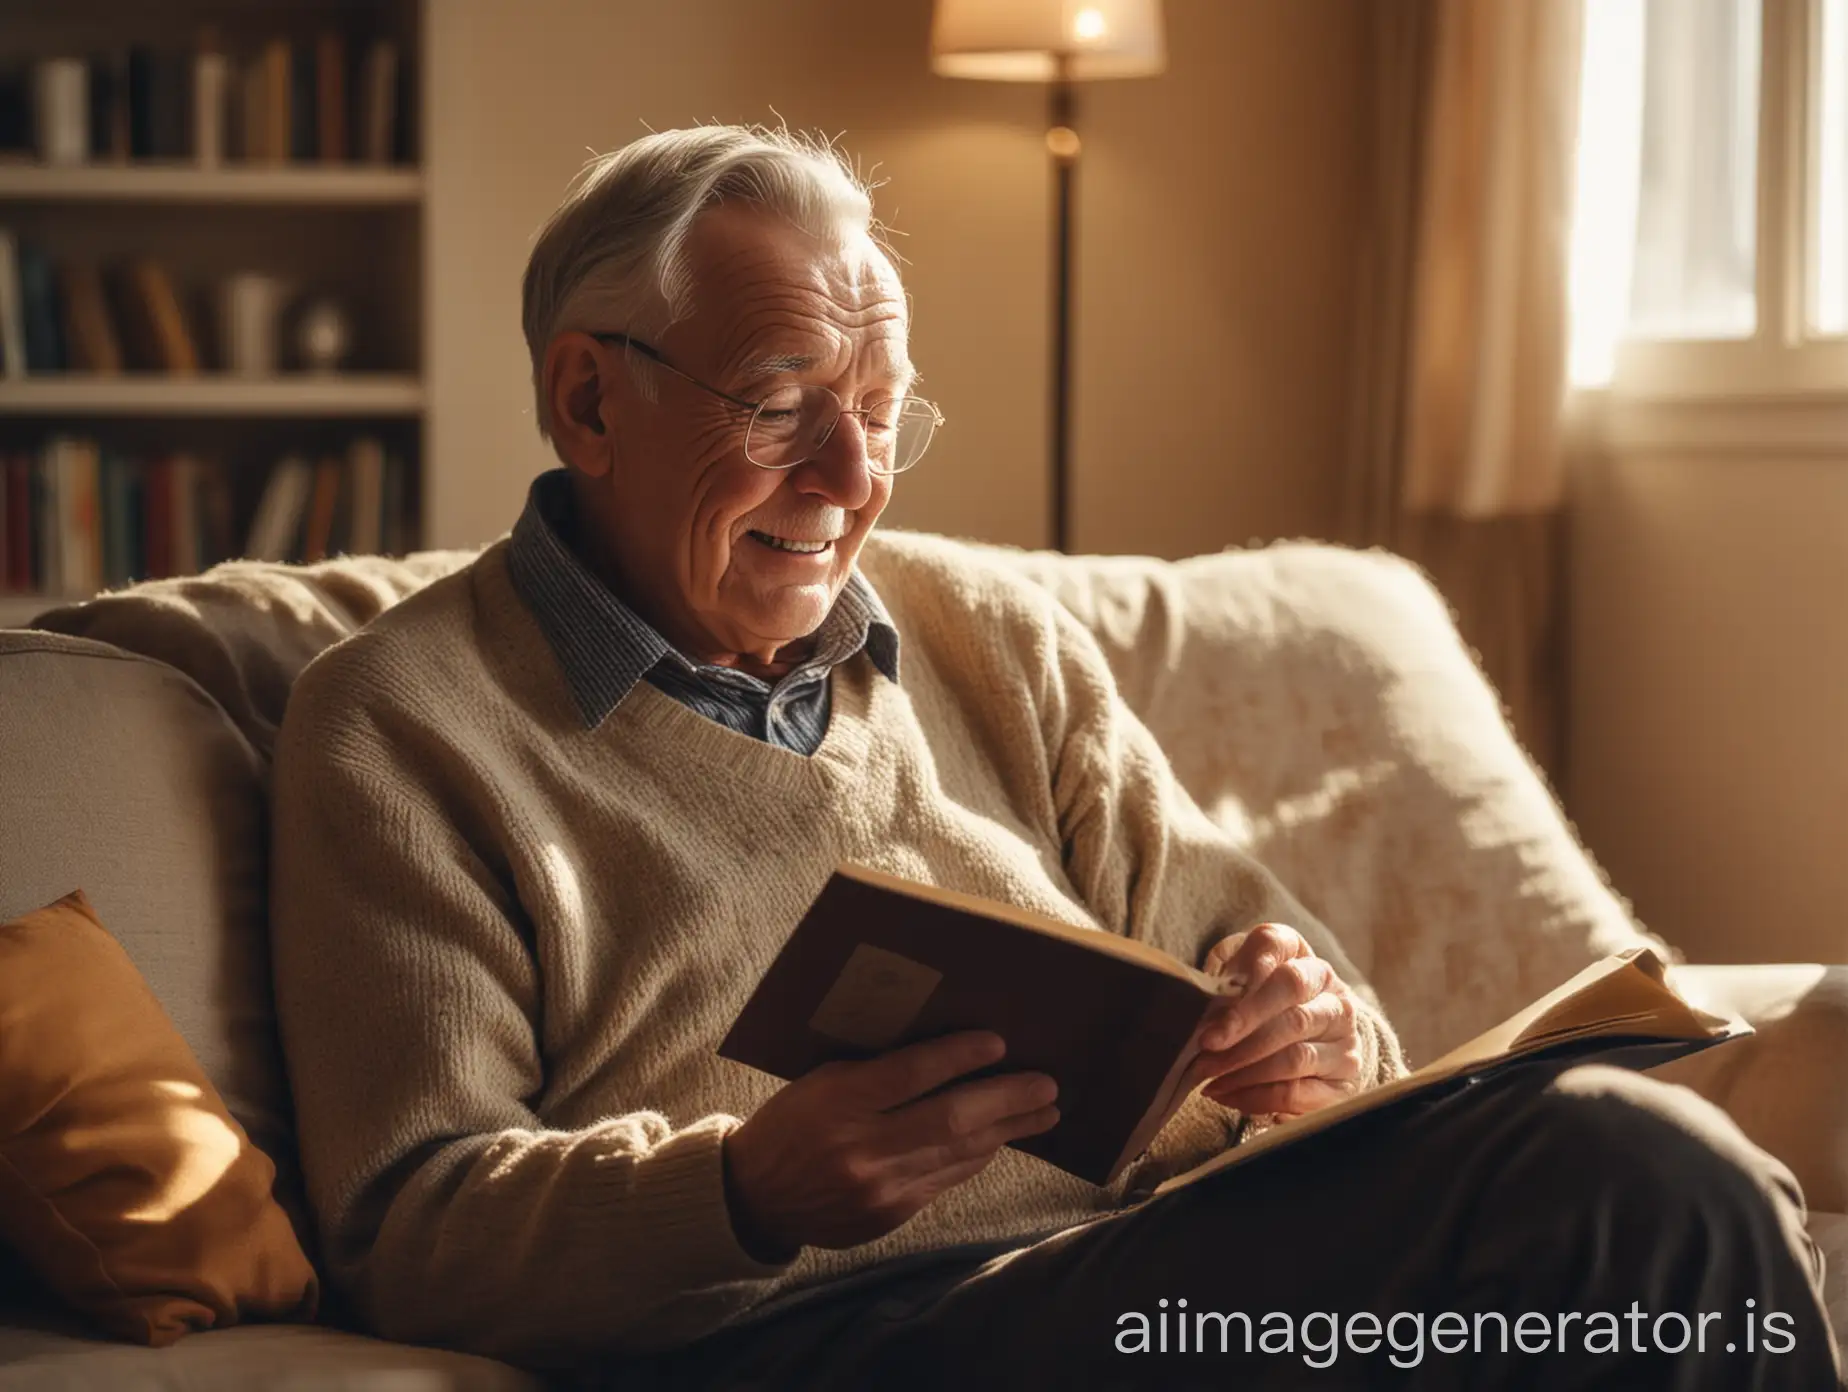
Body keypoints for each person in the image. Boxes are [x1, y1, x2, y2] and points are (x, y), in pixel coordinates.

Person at [269, 125, 1839, 1389]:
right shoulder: (405, 726)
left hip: (1143, 1274)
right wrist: (742, 1192)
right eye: (781, 406)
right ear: (587, 397)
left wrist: (1311, 1033)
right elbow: (408, 1223)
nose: (853, 474)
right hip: (801, 1336)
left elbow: (1264, 955)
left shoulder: (985, 639)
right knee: (1616, 1179)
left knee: (1643, 1181)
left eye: (883, 411)